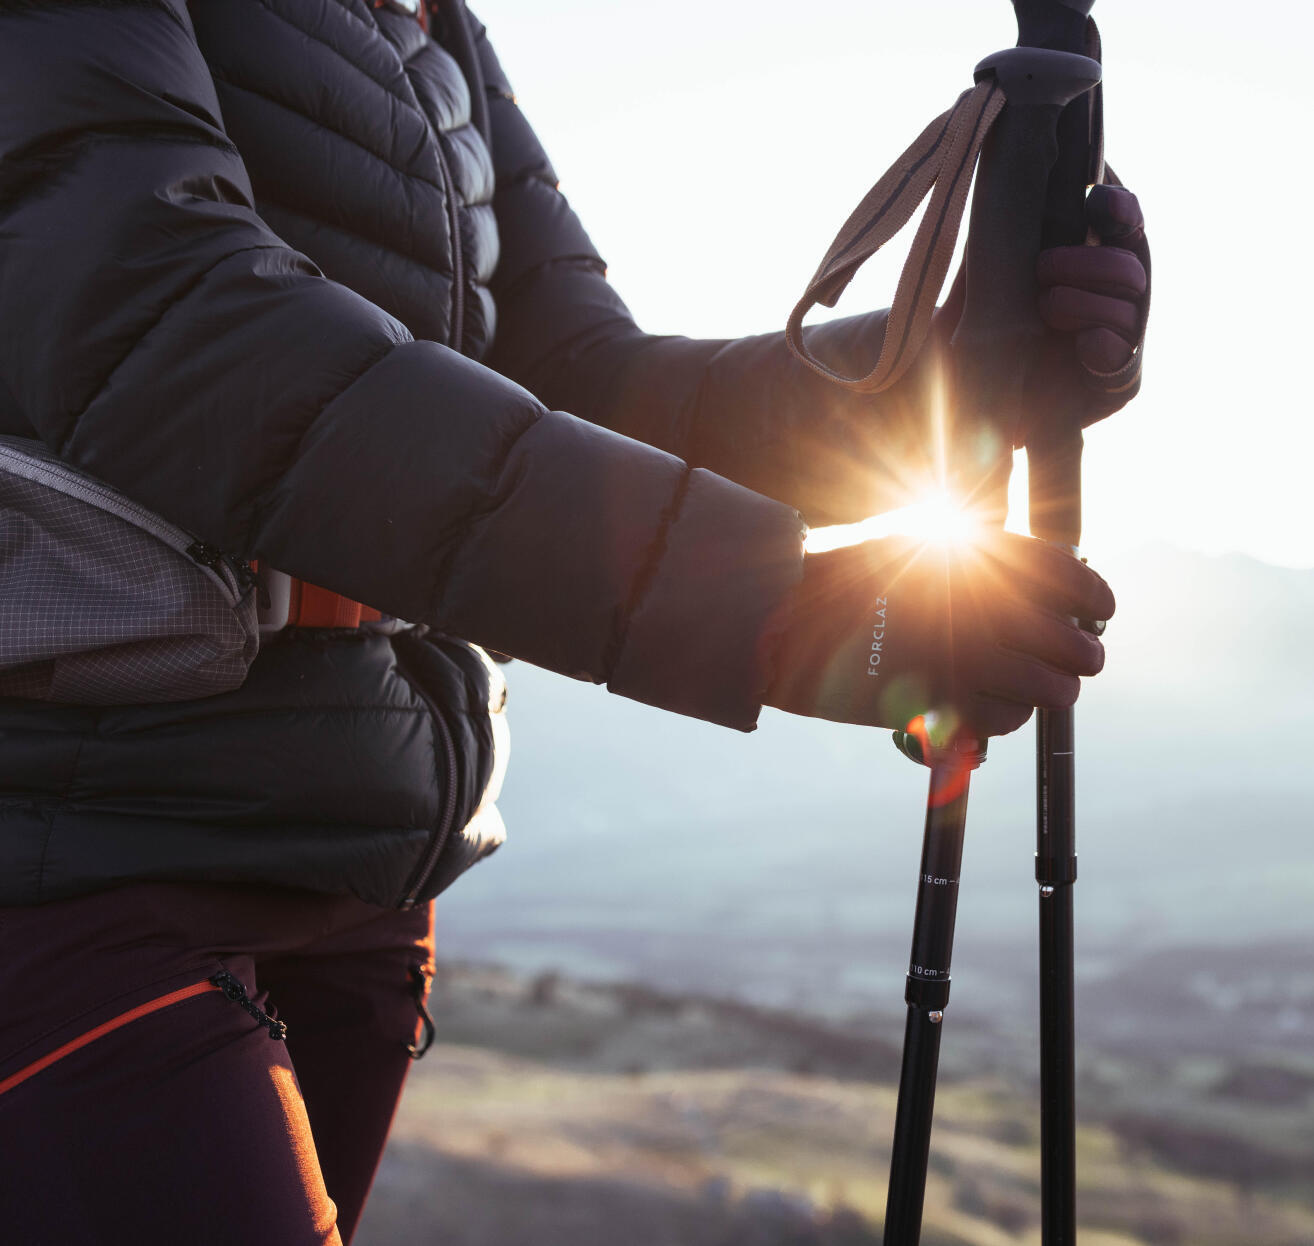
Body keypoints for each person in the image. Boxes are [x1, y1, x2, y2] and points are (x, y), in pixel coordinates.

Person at [0, 1, 1149, 1241]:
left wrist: (952, 365)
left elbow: (585, 382)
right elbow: (172, 320)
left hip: (352, 862)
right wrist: (783, 609)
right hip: (77, 850)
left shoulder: (431, 22)